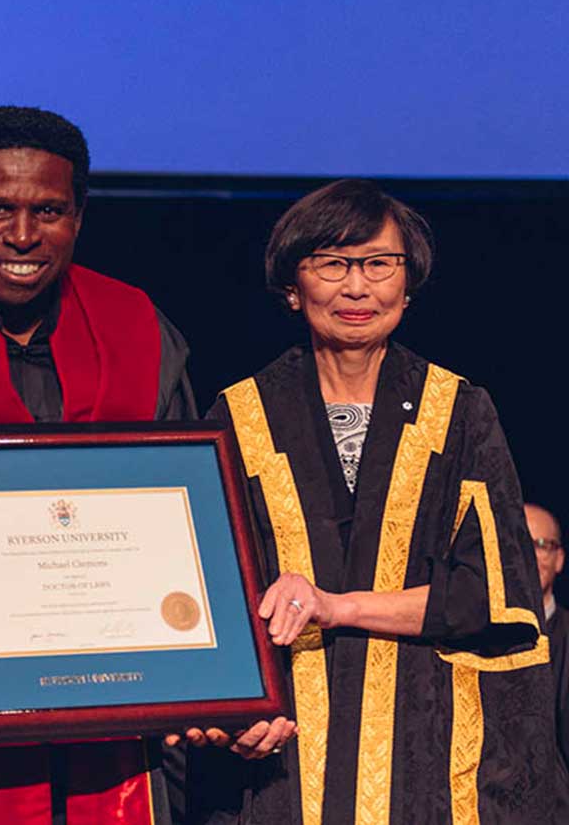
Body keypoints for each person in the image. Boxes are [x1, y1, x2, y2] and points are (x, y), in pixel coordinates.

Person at [0, 106, 291, 825]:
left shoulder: (139, 332)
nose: (24, 236)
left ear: (80, 215)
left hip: (127, 733)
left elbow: (195, 526)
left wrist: (223, 676)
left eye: (50, 211)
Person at [189, 179, 567, 823]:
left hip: (431, 751)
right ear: (292, 285)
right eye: (331, 264)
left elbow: (495, 594)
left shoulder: (459, 412)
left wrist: (337, 607)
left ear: (407, 284)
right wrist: (234, 714)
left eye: (378, 264)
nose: (356, 288)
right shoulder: (243, 414)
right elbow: (210, 594)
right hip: (286, 752)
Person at [527, 502, 569, 770]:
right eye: (518, 543)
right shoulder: (468, 637)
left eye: (541, 544)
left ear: (559, 559)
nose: (529, 556)